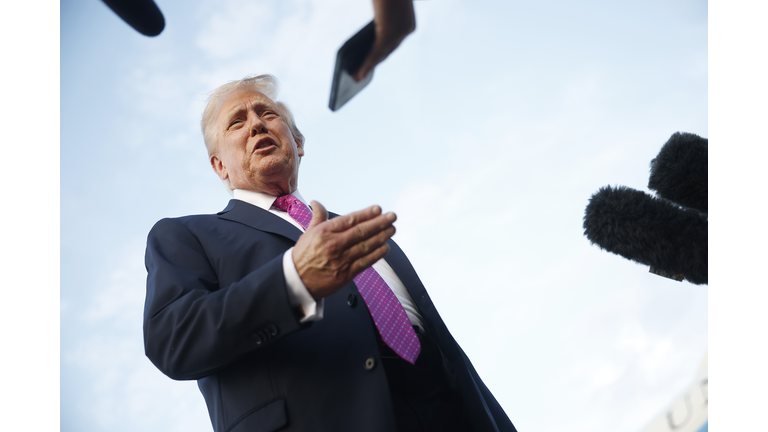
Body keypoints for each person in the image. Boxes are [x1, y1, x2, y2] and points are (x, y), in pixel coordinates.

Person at [143, 74, 516, 432]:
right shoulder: (186, 235)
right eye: (236, 123)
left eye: (267, 113)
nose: (256, 124)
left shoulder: (356, 232)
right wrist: (294, 281)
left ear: (298, 143)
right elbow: (173, 338)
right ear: (219, 165)